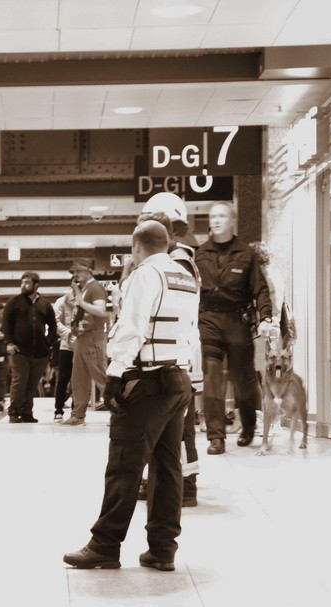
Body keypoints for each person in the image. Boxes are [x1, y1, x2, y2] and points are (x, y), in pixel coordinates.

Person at [63, 220, 198, 571]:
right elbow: (191, 332)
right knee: (168, 469)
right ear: (166, 244)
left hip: (148, 380)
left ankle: (105, 545)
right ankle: (162, 548)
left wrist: (114, 373)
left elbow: (132, 326)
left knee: (124, 463)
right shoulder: (185, 277)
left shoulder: (145, 275)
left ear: (136, 247)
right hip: (178, 379)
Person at [195, 202, 273, 454]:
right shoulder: (200, 253)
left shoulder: (246, 254)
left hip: (238, 320)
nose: (216, 220)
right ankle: (216, 436)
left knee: (243, 378)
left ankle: (248, 424)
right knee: (212, 375)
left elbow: (259, 288)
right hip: (209, 320)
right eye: (212, 216)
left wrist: (265, 316)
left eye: (221, 216)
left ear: (232, 221)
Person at [139, 193, 202, 506]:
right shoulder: (177, 257)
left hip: (171, 356)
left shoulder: (175, 260)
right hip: (176, 354)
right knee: (174, 424)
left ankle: (186, 484)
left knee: (179, 425)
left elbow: (169, 311)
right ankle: (178, 482)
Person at [3, 272, 57, 424]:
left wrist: (48, 343)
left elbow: (53, 326)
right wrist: (9, 343)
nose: (23, 285)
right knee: (19, 382)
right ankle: (14, 412)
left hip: (41, 353)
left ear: (36, 285)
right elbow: (6, 324)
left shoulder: (45, 305)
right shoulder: (13, 302)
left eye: (27, 283)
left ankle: (27, 412)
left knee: (32, 384)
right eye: (22, 282)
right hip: (19, 351)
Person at [60, 258, 108, 427]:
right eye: (73, 272)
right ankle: (78, 415)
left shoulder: (95, 288)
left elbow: (101, 311)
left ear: (88, 270)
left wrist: (81, 301)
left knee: (101, 376)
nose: (75, 275)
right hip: (81, 338)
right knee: (78, 378)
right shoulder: (83, 289)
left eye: (78, 271)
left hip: (93, 338)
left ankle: (120, 411)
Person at [51, 287, 77, 420]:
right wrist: (68, 333)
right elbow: (54, 322)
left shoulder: (89, 300)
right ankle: (58, 410)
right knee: (63, 379)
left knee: (79, 380)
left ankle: (77, 410)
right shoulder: (61, 301)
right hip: (66, 346)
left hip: (83, 346)